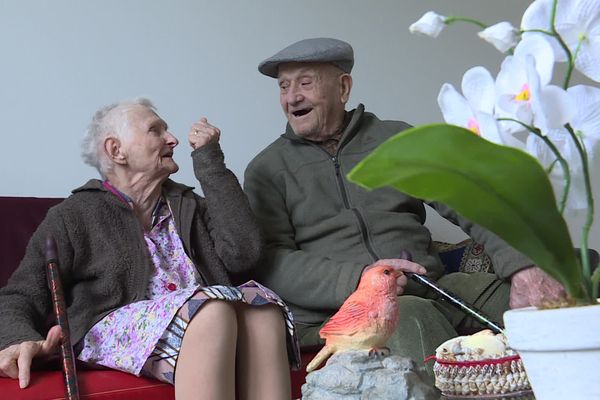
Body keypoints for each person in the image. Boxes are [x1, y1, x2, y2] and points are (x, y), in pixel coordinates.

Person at [243, 37, 565, 381]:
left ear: (343, 87)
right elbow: (271, 260)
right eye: (284, 86)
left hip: (436, 287)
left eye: (305, 83)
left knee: (572, 282)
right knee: (409, 315)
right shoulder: (267, 169)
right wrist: (361, 282)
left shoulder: (395, 140)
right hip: (345, 317)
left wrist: (524, 264)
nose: (292, 97)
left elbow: (472, 199)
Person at [0, 98, 299, 400]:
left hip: (203, 316)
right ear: (116, 150)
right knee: (211, 313)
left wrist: (210, 161)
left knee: (263, 311)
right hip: (120, 326)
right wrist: (16, 338)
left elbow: (244, 253)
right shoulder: (75, 215)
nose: (173, 139)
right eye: (155, 131)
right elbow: (21, 294)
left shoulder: (188, 205)